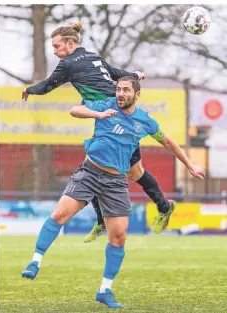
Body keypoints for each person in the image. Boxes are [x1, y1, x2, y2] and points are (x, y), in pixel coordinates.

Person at [22, 76, 206, 309]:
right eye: (118, 89)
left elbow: (168, 142)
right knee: (60, 214)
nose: (120, 93)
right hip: (89, 172)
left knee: (118, 237)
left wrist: (190, 165)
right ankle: (35, 262)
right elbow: (74, 110)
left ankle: (104, 290)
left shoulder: (144, 121)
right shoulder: (105, 104)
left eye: (126, 90)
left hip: (116, 182)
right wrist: (97, 115)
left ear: (136, 95)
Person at [22, 22, 175, 240]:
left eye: (56, 47)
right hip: (109, 113)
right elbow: (114, 74)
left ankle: (161, 207)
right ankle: (109, 218)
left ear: (71, 43)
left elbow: (49, 85)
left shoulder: (67, 64)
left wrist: (30, 89)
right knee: (104, 164)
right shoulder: (93, 56)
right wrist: (132, 74)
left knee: (117, 168)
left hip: (112, 117)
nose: (55, 52)